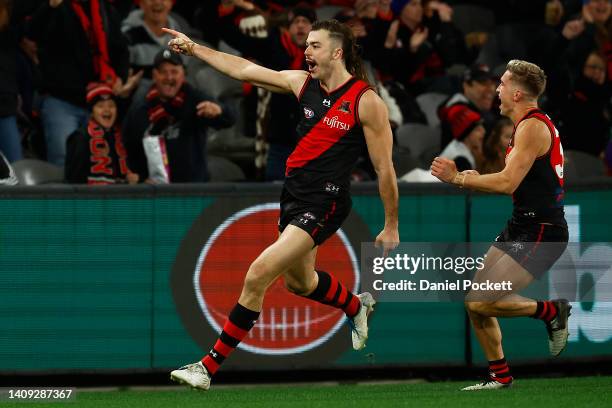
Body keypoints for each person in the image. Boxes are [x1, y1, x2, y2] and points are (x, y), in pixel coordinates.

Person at [164, 19, 400, 390]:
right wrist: (194, 49)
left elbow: (385, 168)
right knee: (300, 283)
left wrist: (391, 225)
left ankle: (207, 367)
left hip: (327, 201)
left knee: (258, 273)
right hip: (294, 196)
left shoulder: (366, 101)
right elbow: (244, 68)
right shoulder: (300, 83)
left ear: (337, 52)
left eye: (315, 46)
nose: (306, 52)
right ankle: (356, 306)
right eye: (306, 45)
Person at [431, 60, 571, 391]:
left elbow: (508, 183)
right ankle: (500, 376)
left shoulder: (532, 127)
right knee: (474, 303)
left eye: (503, 83)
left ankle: (552, 311)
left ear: (518, 93)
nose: (497, 89)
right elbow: (515, 182)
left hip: (542, 231)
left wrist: (458, 178)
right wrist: (472, 177)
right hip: (521, 224)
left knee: (481, 301)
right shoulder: (526, 126)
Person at [122, 49, 235, 183]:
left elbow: (230, 120)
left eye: (174, 72)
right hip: (154, 192)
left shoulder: (195, 99)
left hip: (194, 190)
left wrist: (219, 111)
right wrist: (141, 178)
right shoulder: (140, 108)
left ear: (183, 74)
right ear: (154, 75)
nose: (169, 78)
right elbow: (129, 147)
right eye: (163, 72)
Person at [65, 82, 138, 185]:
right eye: (100, 106)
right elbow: (74, 183)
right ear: (91, 112)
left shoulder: (120, 136)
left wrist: (132, 179)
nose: (107, 110)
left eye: (111, 105)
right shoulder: (80, 138)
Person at [438, 104, 485, 171]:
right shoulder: (462, 159)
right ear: (466, 135)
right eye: (478, 130)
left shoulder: (455, 145)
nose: (484, 131)